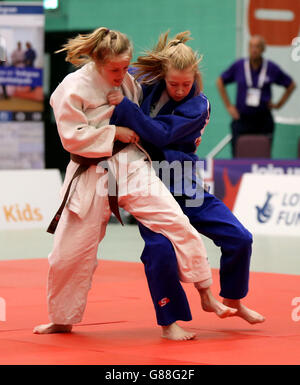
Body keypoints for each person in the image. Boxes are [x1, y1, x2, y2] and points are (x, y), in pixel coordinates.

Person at [33, 27, 236, 337]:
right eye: (115, 69)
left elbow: (147, 112)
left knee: (177, 223)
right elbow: (71, 137)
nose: (123, 74)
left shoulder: (128, 82)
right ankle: (62, 318)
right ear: (98, 61)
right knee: (67, 253)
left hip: (130, 164)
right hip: (90, 173)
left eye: (126, 67)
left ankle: (206, 290)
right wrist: (113, 132)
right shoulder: (71, 88)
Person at [108, 31, 265, 336]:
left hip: (185, 185)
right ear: (163, 75)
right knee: (160, 251)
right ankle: (170, 322)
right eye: (173, 83)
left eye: (186, 83)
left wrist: (126, 110)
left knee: (239, 238)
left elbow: (161, 135)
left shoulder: (199, 106)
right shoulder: (147, 86)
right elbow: (113, 71)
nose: (180, 90)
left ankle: (232, 297)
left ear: (195, 77)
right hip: (149, 185)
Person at [216, 35, 296, 157]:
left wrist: (279, 104)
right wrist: (229, 106)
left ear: (263, 49)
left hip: (263, 120)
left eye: (258, 46)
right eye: (251, 46)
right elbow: (220, 81)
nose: (254, 49)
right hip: (242, 119)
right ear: (248, 49)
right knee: (238, 155)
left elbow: (291, 85)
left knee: (262, 155)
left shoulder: (270, 68)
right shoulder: (240, 66)